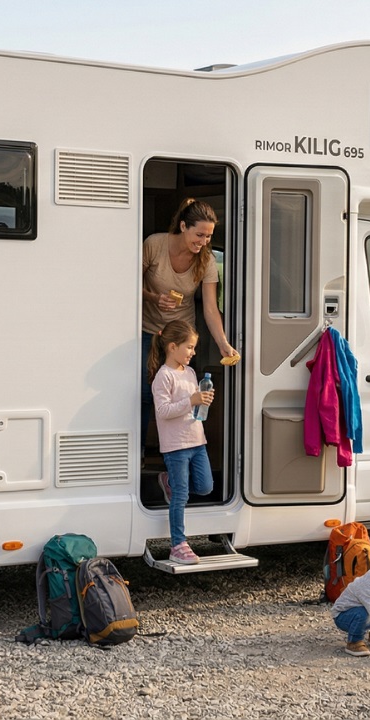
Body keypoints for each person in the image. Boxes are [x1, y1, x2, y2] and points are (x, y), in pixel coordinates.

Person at [141, 197, 238, 456]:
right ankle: (138, 456)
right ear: (183, 226)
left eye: (208, 237)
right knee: (145, 395)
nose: (204, 242)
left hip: (182, 337)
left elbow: (209, 308)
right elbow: (127, 283)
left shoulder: (205, 261)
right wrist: (153, 297)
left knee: (185, 401)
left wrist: (223, 343)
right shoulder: (154, 244)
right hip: (147, 332)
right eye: (199, 235)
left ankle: (177, 460)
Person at [148, 319, 215, 565]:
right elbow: (163, 411)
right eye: (189, 347)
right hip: (176, 446)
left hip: (197, 441)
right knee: (181, 495)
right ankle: (177, 545)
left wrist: (203, 400)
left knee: (206, 486)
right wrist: (192, 400)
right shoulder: (163, 377)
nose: (193, 352)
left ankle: (168, 482)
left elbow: (192, 405)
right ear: (172, 347)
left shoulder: (190, 373)